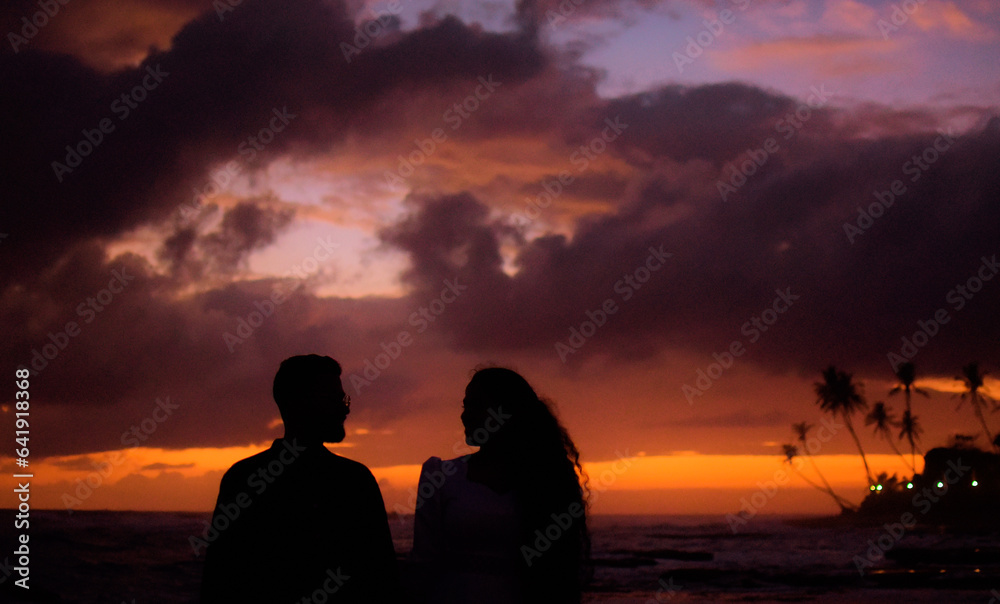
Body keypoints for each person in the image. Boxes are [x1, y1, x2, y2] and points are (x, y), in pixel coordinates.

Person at [199, 354, 398, 603]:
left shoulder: (243, 478)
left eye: (343, 399)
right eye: (334, 398)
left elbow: (218, 582)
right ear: (299, 402)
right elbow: (382, 578)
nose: (345, 408)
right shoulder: (354, 480)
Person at [409, 367, 590, 603]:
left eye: (477, 406)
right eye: (465, 406)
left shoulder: (546, 479)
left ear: (507, 413)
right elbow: (423, 561)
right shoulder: (440, 475)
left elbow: (559, 567)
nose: (465, 415)